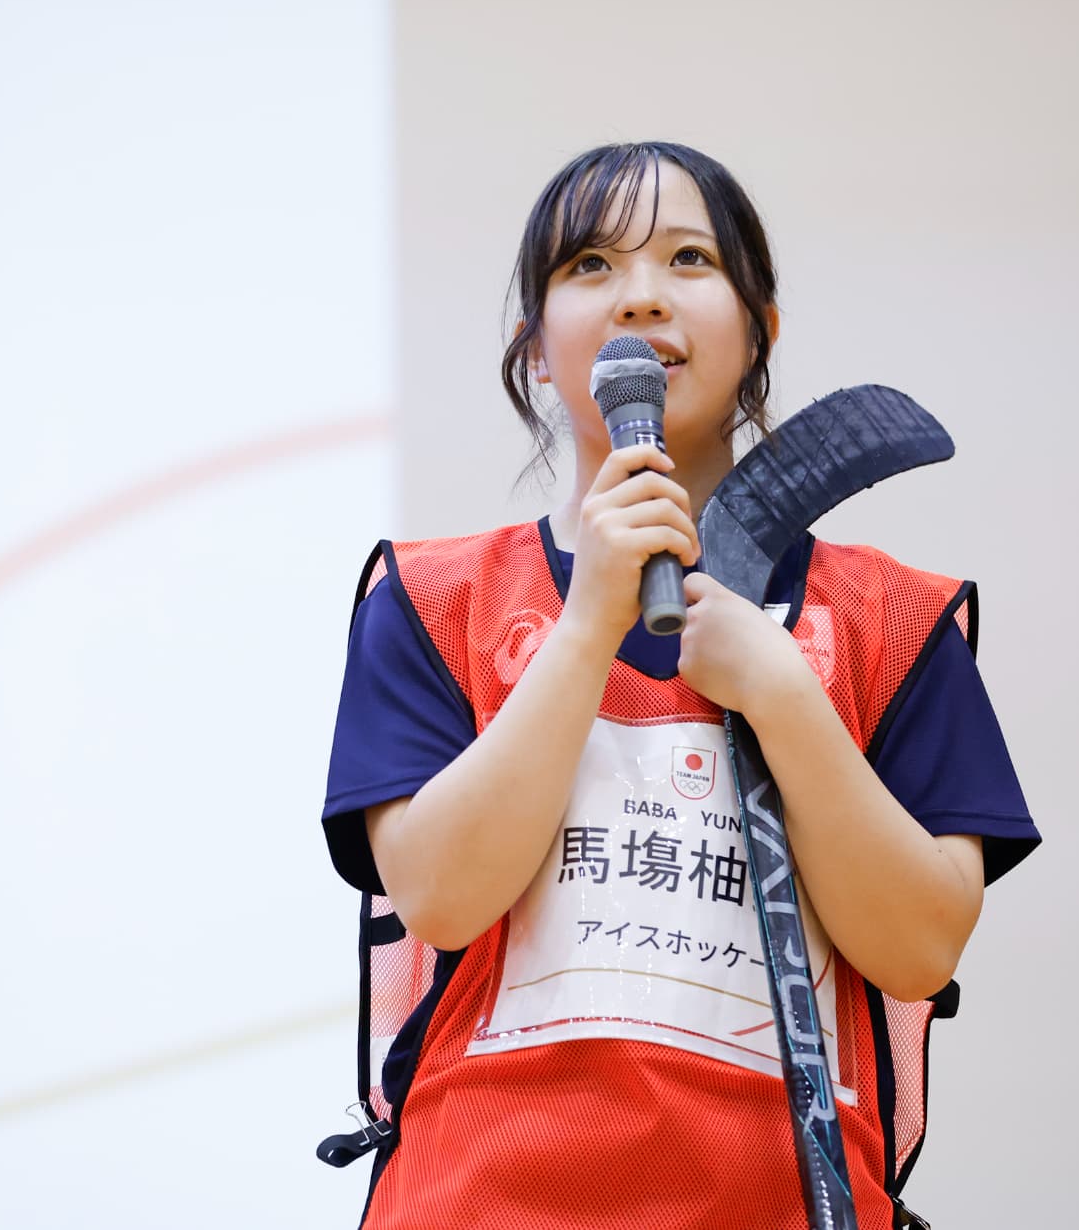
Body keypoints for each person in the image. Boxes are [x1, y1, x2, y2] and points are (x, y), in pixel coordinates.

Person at [320, 142, 1040, 1229]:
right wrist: (589, 620)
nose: (641, 297)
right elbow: (440, 895)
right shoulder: (432, 600)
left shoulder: (892, 622)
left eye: (689, 258)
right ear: (534, 344)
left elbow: (919, 946)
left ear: (761, 329)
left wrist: (785, 696)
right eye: (591, 266)